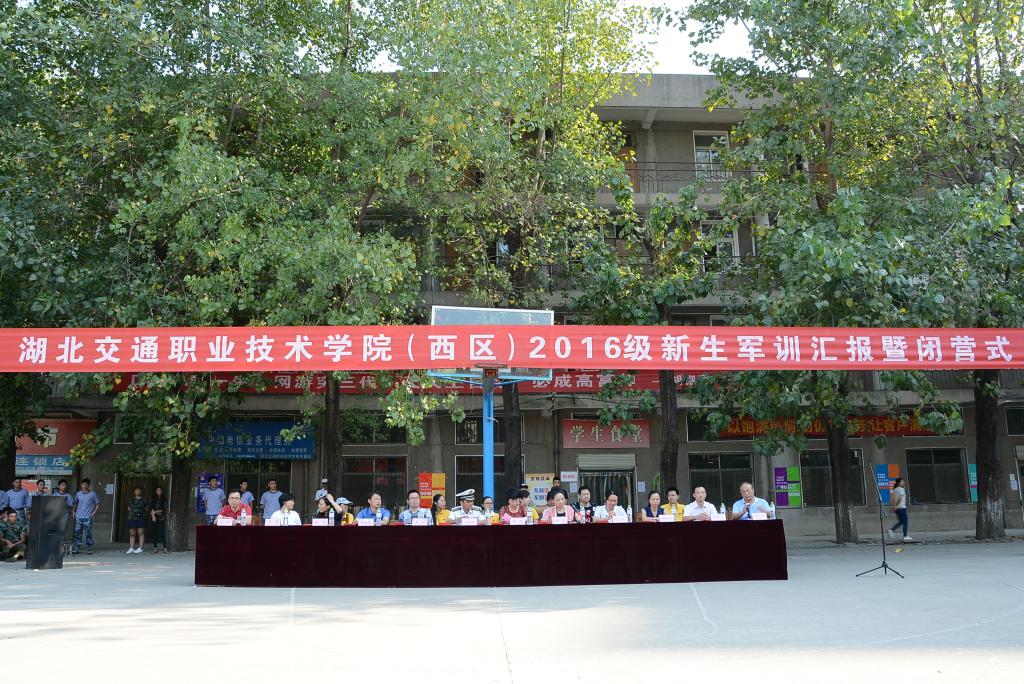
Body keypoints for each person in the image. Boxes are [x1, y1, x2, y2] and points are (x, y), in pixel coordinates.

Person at [71, 478, 100, 555]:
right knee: (77, 533)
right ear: (81, 485)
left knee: (88, 533)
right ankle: (76, 548)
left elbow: (97, 504)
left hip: (87, 517)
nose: (84, 486)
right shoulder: (78, 494)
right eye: (83, 484)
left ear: (88, 485)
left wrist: (93, 513)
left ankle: (89, 548)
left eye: (86, 484)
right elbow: (75, 503)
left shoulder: (93, 494)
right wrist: (73, 511)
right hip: (78, 516)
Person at [125, 485, 148, 553]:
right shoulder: (131, 499)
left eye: (139, 490)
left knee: (140, 533)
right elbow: (128, 508)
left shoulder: (144, 500)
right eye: (136, 490)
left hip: (141, 518)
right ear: (134, 491)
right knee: (132, 533)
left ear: (141, 491)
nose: (138, 491)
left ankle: (140, 548)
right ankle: (131, 547)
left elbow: (146, 509)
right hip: (131, 518)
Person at [150, 486, 170, 553]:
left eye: (160, 490)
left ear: (162, 491)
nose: (159, 492)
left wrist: (155, 512)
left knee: (162, 533)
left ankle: (165, 548)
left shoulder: (164, 499)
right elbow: (151, 508)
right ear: (156, 491)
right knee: (154, 532)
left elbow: (163, 509)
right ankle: (155, 548)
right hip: (154, 517)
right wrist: (153, 516)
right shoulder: (153, 499)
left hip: (161, 518)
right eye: (157, 490)